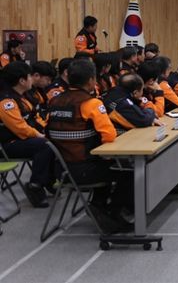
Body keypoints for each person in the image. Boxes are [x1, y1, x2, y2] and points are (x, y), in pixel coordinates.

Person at [45, 59, 134, 233]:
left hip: (61, 169)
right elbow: (109, 135)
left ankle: (98, 205)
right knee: (128, 170)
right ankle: (112, 213)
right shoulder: (91, 103)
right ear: (91, 80)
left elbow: (47, 131)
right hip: (85, 168)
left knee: (110, 165)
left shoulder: (54, 102)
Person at [0, 62, 54, 208]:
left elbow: (35, 118)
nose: (32, 79)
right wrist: (39, 135)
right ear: (22, 81)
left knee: (54, 138)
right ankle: (35, 185)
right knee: (44, 145)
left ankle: (49, 179)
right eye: (29, 76)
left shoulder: (23, 97)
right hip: (8, 144)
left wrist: (47, 129)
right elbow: (20, 128)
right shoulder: (6, 102)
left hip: (23, 140)